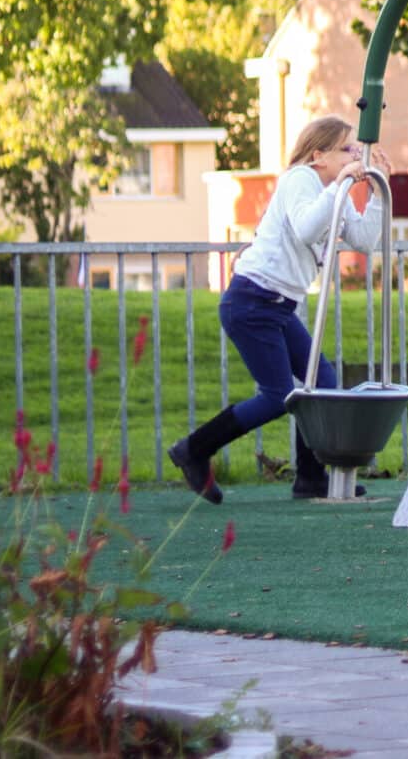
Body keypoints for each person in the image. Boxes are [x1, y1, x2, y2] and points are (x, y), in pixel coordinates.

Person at [167, 116, 391, 502]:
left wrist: (375, 192)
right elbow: (306, 228)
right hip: (252, 301)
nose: (356, 156)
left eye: (356, 149)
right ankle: (194, 449)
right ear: (319, 155)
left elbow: (364, 240)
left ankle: (310, 478)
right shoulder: (300, 180)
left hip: (277, 305)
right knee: (277, 395)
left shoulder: (333, 190)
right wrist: (339, 185)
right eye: (347, 149)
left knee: (321, 383)